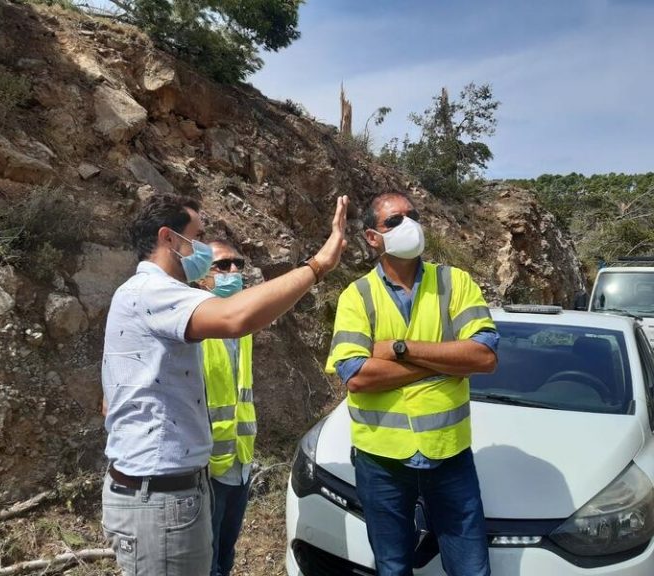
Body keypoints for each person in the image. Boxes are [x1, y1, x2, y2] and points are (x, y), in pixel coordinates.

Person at [102, 192, 348, 576]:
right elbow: (237, 316)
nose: (201, 248)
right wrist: (318, 266)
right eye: (196, 237)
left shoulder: (146, 295)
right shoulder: (152, 292)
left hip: (178, 487)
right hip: (160, 496)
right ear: (168, 238)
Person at [325, 192, 498, 576]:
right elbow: (357, 376)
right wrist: (443, 364)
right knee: (392, 567)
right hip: (382, 461)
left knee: (471, 568)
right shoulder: (357, 296)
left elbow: (484, 357)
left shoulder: (455, 282)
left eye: (413, 215)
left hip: (449, 456)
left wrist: (400, 349)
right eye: (395, 221)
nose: (409, 225)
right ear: (373, 237)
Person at [195, 240, 255, 576]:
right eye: (222, 265)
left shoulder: (241, 327)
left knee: (226, 552)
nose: (234, 271)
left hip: (239, 459)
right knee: (207, 559)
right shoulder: (194, 326)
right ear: (201, 276)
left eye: (238, 264)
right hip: (206, 467)